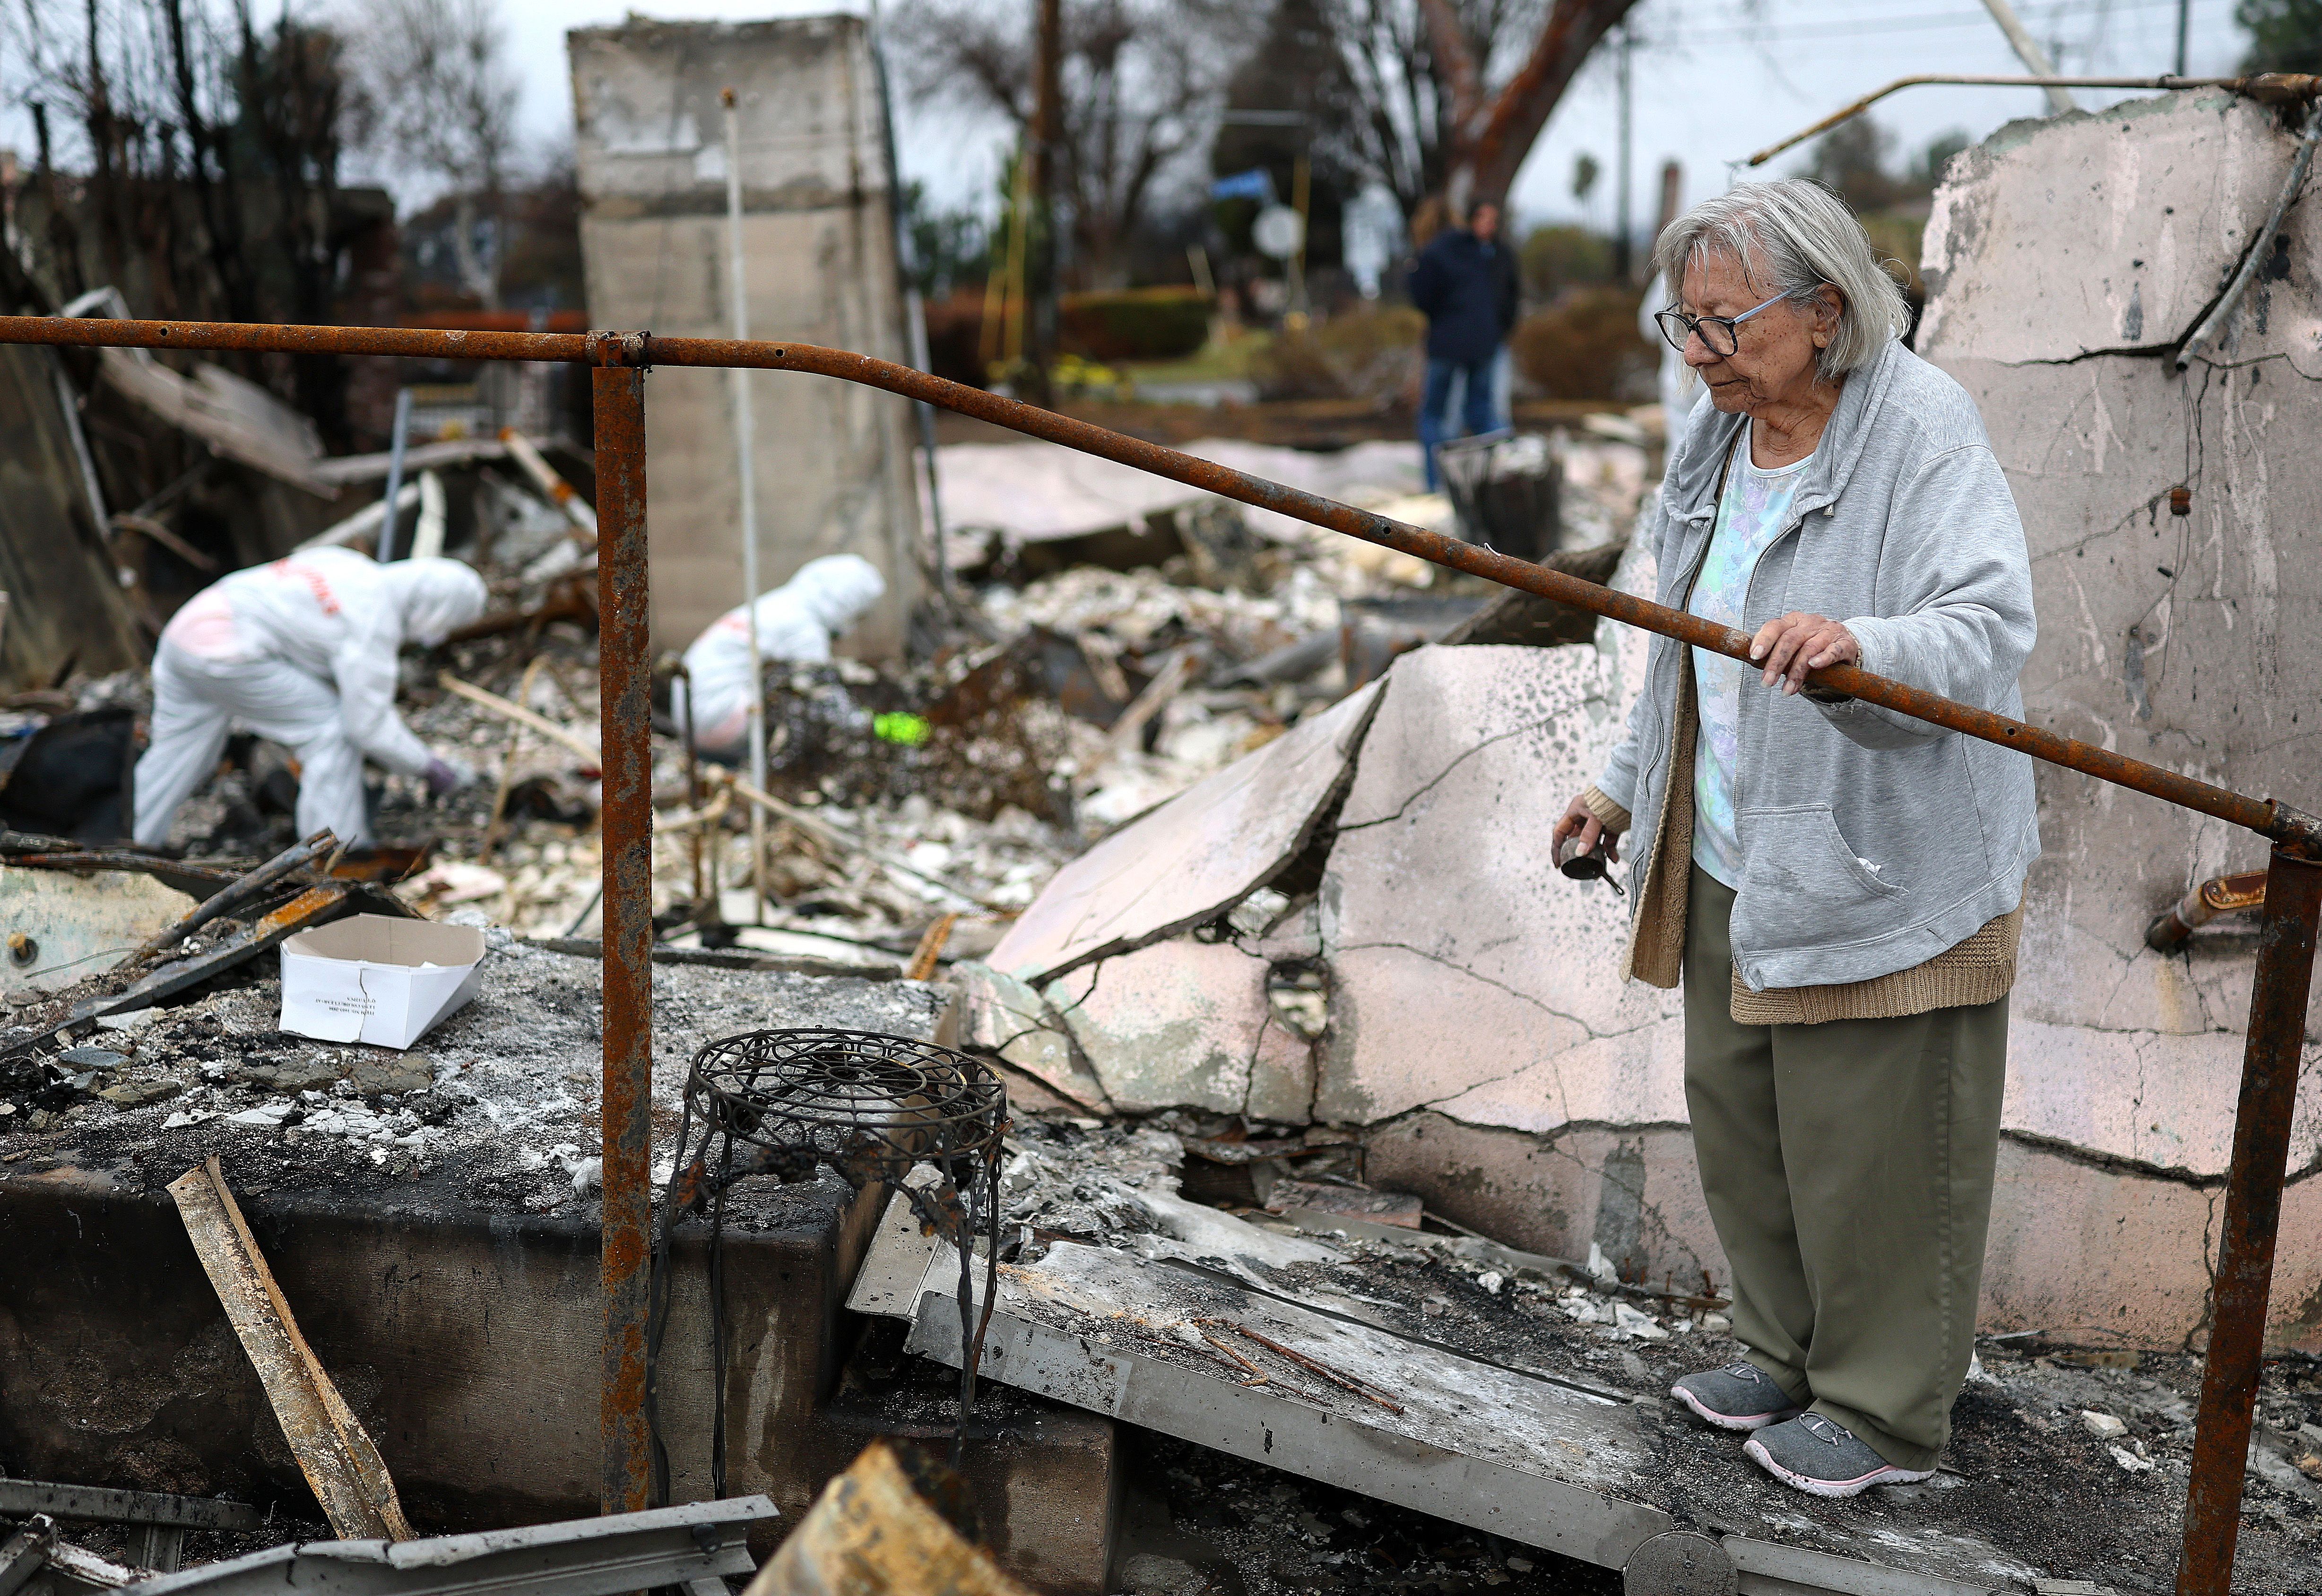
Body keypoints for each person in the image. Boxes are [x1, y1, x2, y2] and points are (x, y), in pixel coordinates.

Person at [1550, 179, 2038, 1499]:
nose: (1701, 353)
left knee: (1875, 1146)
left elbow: (1989, 630)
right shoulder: (1715, 438)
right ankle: (1781, 1346)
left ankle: (1883, 1410)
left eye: (1725, 325)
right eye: (1685, 326)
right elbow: (1678, 647)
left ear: (1823, 312)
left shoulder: (1922, 430)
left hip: (1886, 859)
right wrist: (1615, 785)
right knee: (1747, 1121)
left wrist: (1862, 646)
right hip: (1734, 843)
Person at [134, 550, 488, 850]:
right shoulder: (373, 624)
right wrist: (430, 768)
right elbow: (368, 728)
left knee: (176, 752)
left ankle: (128, 841)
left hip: (186, 632)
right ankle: (331, 853)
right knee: (331, 732)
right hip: (232, 648)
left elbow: (307, 629)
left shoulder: (350, 564)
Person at [673, 553, 887, 757]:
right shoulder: (803, 629)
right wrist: (869, 726)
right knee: (803, 704)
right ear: (847, 604)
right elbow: (823, 694)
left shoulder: (782, 605)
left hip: (688, 718)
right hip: (716, 720)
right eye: (859, 616)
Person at [1406, 197, 1521, 490]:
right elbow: (1422, 292)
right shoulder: (1463, 252)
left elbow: (1510, 297)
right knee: (1455, 416)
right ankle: (1445, 486)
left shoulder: (1488, 254)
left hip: (1473, 345)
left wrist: (1496, 330)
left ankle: (1490, 482)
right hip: (1460, 345)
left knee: (1467, 413)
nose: (1489, 226)